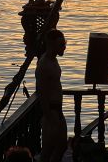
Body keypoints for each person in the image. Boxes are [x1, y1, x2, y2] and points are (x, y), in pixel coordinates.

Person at [35, 29, 68, 162]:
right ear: (51, 44)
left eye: (64, 43)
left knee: (61, 146)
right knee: (47, 150)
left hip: (58, 109)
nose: (64, 47)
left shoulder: (53, 60)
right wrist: (49, 117)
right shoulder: (44, 64)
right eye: (61, 44)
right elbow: (41, 92)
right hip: (51, 111)